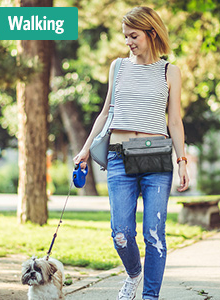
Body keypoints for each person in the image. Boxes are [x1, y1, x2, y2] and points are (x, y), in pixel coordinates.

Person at [73, 6, 190, 300]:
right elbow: (105, 114)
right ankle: (134, 273)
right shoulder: (118, 67)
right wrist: (85, 150)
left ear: (151, 33)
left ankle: (150, 297)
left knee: (154, 234)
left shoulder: (170, 71)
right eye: (125, 36)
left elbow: (174, 120)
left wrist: (182, 161)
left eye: (134, 35)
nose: (128, 42)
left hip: (156, 159)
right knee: (121, 232)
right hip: (118, 156)